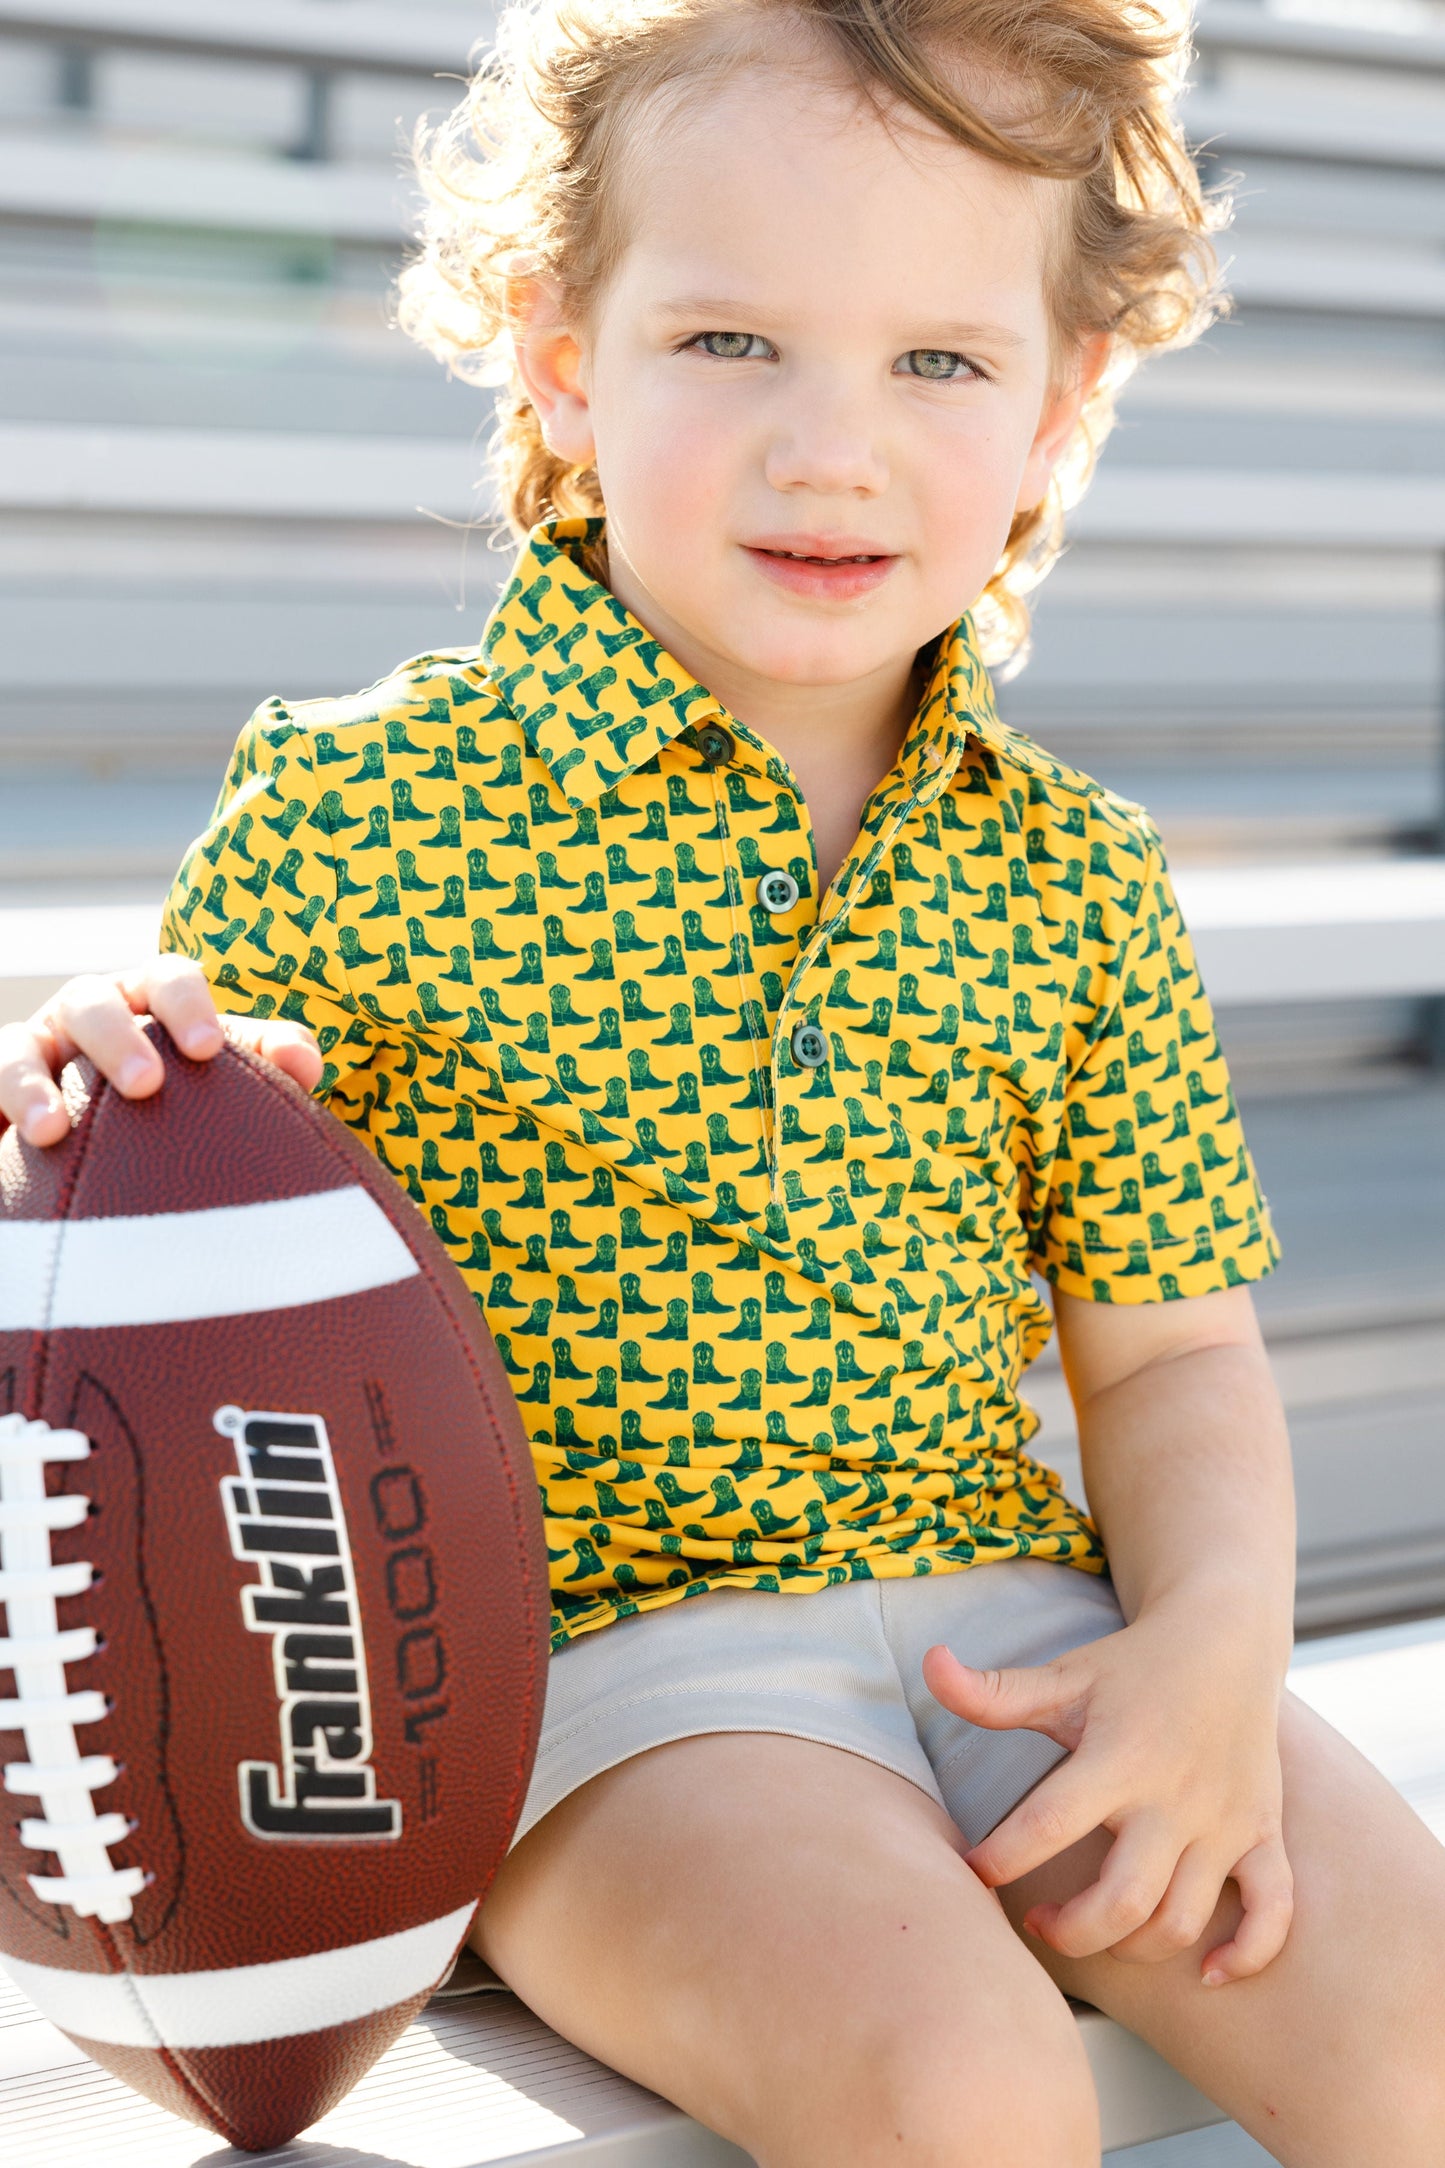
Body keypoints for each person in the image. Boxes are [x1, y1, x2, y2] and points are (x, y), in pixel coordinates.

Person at [4, 1, 1442, 2160]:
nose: (831, 448)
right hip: (600, 1686)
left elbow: (1167, 1366)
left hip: (1018, 1627)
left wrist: (1219, 1654)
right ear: (564, 356)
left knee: (1421, 2036)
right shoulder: (360, 813)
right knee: (957, 2092)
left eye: (939, 362)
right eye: (731, 344)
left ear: (1063, 410)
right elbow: (176, 1226)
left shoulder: (1072, 875)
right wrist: (89, 1083)